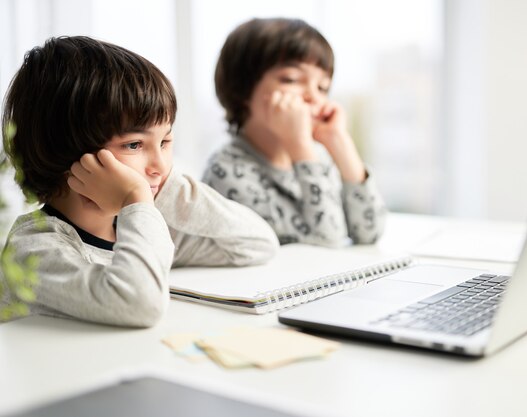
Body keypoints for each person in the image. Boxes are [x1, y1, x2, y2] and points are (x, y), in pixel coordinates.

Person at [0, 36, 278, 327]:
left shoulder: (137, 227)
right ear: (67, 153)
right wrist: (136, 197)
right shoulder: (33, 250)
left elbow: (257, 243)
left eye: (166, 141)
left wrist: (168, 191)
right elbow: (139, 304)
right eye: (134, 145)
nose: (160, 165)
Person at [203, 18, 386, 247]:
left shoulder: (318, 158)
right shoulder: (227, 171)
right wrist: (300, 146)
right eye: (292, 79)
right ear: (242, 88)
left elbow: (371, 232)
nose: (314, 97)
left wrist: (340, 143)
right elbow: (327, 243)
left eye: (322, 87)